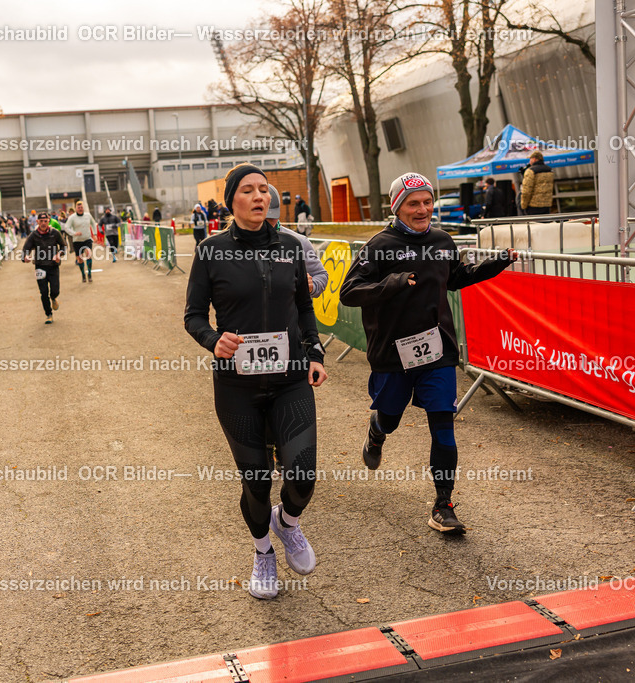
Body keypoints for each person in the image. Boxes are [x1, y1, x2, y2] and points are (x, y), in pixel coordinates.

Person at [339, 172, 517, 535]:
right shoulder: (379, 246)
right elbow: (350, 292)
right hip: (393, 353)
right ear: (397, 207)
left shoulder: (441, 239)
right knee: (390, 416)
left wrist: (495, 264)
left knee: (443, 427)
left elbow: (455, 277)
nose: (423, 210)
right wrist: (393, 282)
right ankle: (377, 431)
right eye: (413, 203)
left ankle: (443, 504)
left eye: (427, 202)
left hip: (437, 351)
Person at [184, 164, 327, 600]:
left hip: (289, 378)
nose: (260, 196)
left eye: (264, 190)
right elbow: (193, 316)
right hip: (237, 385)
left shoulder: (289, 247)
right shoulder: (210, 251)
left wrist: (315, 351)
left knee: (302, 475)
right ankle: (263, 551)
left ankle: (287, 524)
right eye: (248, 191)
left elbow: (304, 307)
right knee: (257, 481)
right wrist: (213, 339)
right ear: (232, 201)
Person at [267, 185, 327, 298]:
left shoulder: (298, 241)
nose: (268, 223)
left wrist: (312, 286)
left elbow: (320, 274)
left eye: (272, 217)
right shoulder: (228, 244)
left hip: (289, 313)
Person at [22, 210, 64, 324]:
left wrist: (59, 254)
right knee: (43, 292)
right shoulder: (34, 235)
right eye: (41, 221)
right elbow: (26, 248)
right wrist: (25, 256)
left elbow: (63, 246)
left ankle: (54, 298)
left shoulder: (55, 233)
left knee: (55, 290)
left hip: (53, 266)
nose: (43, 223)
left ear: (48, 221)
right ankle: (48, 314)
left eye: (45, 221)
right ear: (37, 221)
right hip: (40, 266)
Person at [63, 200, 97, 283]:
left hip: (87, 239)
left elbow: (93, 223)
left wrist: (94, 234)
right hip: (77, 241)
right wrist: (74, 233)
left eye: (81, 207)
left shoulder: (88, 215)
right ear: (76, 209)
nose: (80, 209)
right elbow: (66, 227)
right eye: (78, 207)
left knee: (89, 254)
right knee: (80, 259)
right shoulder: (72, 217)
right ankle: (83, 274)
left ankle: (89, 274)